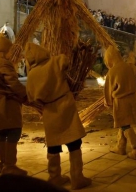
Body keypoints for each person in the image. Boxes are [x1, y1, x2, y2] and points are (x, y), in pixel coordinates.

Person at [25, 43, 91, 190]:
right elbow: (66, 61)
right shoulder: (55, 62)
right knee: (73, 141)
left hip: (49, 110)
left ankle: (55, 177)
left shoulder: (32, 74)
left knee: (53, 144)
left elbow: (31, 97)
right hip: (64, 105)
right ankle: (77, 177)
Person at [0, 35, 27, 176]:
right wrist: (26, 94)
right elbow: (13, 83)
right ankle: (10, 165)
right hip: (6, 102)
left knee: (2, 132)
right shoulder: (4, 63)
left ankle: (3, 163)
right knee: (13, 130)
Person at [104, 46, 136, 159]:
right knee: (123, 122)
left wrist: (108, 101)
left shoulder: (113, 71)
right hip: (131, 99)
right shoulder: (128, 67)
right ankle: (120, 146)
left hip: (121, 101)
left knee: (124, 125)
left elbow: (108, 89)